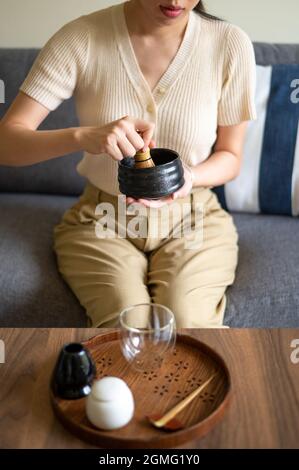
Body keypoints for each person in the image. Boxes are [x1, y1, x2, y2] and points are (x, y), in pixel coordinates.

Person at [0, 1, 257, 327]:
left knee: (188, 322)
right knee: (128, 325)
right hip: (102, 220)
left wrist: (189, 177)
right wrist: (82, 137)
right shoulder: (82, 37)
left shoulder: (229, 43)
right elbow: (6, 144)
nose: (176, 1)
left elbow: (231, 157)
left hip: (194, 218)